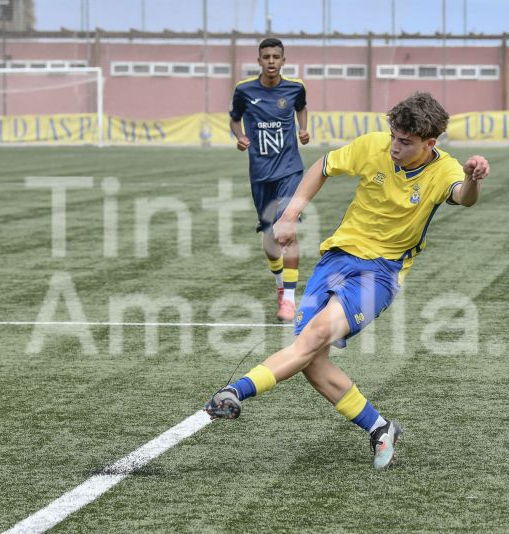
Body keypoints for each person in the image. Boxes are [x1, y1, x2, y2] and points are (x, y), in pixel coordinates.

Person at [206, 91, 490, 469]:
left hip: (380, 274)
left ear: (430, 143)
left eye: (405, 142)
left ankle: (233, 392)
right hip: (335, 259)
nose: (395, 147)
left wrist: (472, 178)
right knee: (311, 360)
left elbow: (464, 197)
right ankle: (380, 428)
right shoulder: (374, 146)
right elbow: (322, 166)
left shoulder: (445, 170)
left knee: (313, 338)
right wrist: (289, 216)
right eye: (393, 137)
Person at [229, 37, 310, 322]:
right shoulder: (244, 90)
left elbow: (301, 107)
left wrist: (303, 129)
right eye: (267, 57)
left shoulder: (295, 88)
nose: (271, 61)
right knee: (269, 237)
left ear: (283, 60)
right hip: (260, 174)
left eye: (276, 57)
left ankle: (289, 300)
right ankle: (280, 286)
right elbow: (234, 118)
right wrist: (240, 136)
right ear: (259, 60)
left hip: (290, 170)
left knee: (286, 229)